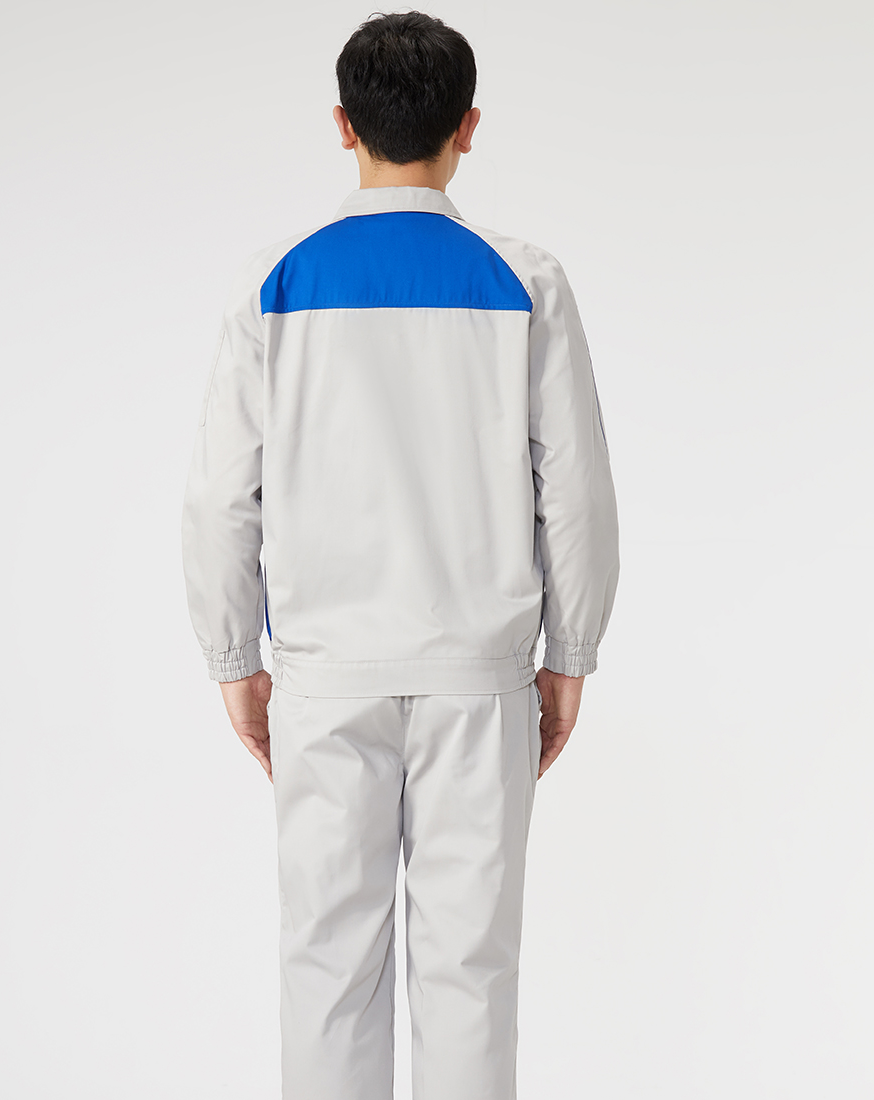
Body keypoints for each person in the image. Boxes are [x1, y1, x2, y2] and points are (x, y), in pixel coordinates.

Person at [181, 11, 620, 1099]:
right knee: (470, 973)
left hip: (325, 678)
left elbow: (220, 496)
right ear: (468, 127)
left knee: (327, 969)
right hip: (480, 678)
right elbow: (574, 490)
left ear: (342, 125)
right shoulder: (526, 281)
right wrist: (570, 653)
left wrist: (235, 660)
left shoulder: (274, 283)